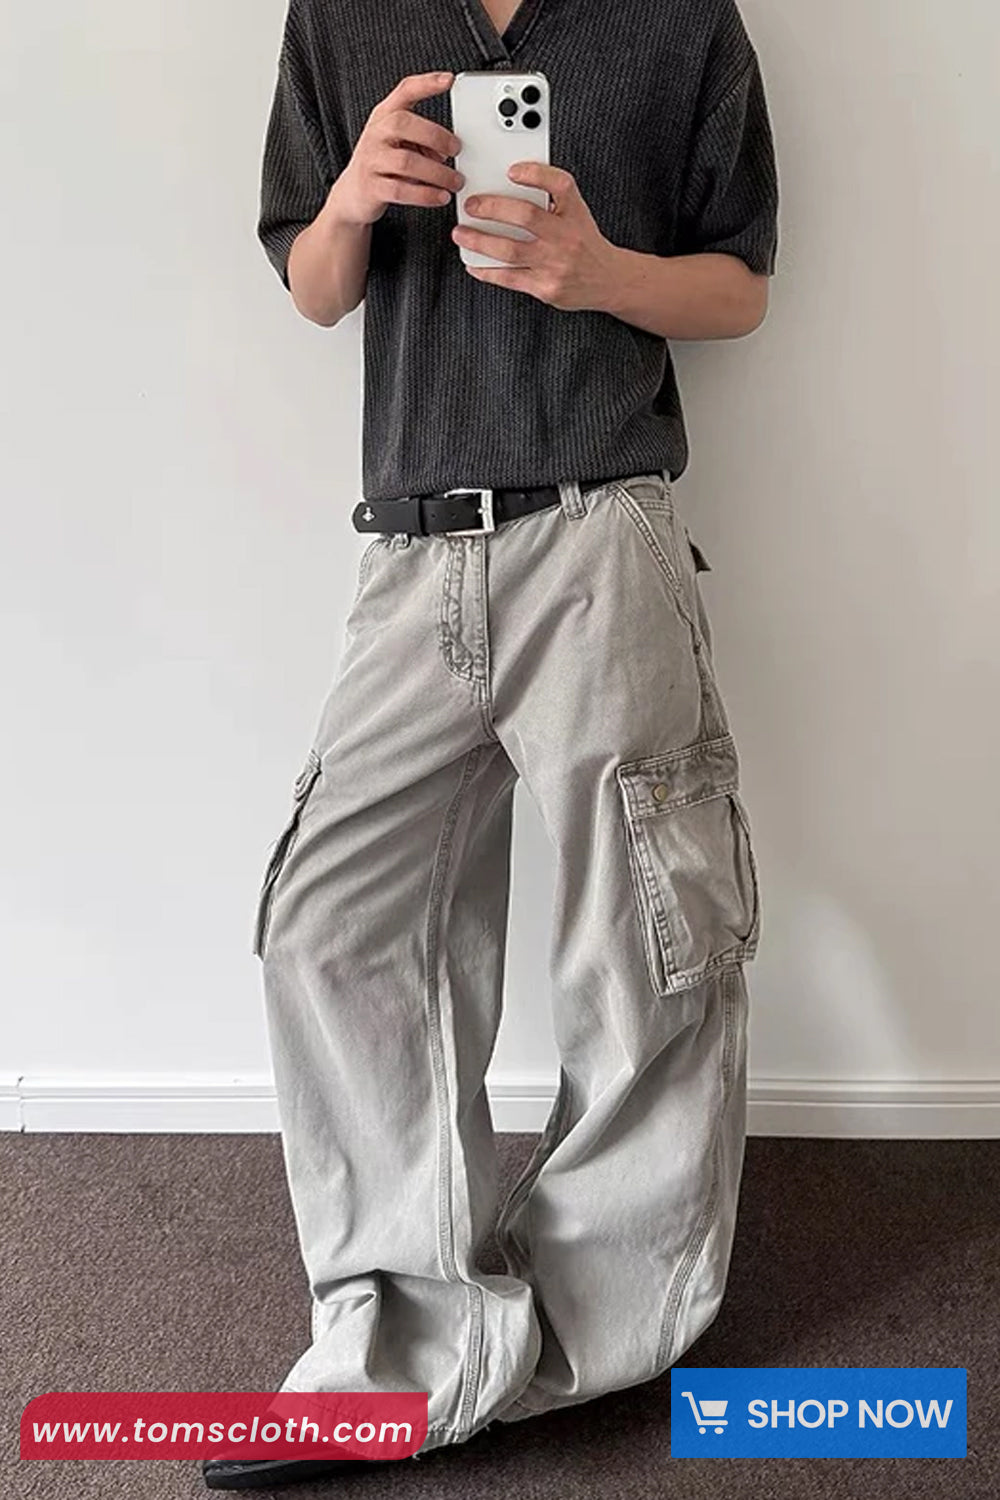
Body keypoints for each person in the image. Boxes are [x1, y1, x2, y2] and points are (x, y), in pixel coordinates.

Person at [203, 0, 778, 1488]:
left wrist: (598, 273)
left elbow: (741, 287)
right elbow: (313, 283)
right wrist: (346, 201)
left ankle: (593, 1341)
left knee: (642, 947)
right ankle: (406, 1347)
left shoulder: (678, 19)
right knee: (333, 923)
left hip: (603, 529)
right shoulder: (339, 14)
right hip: (410, 548)